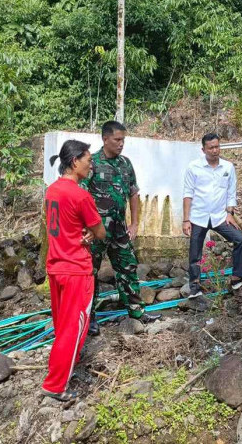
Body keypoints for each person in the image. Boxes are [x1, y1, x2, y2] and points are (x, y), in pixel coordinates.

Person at [82, 121, 160, 335]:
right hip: (96, 231)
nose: (121, 144)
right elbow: (81, 196)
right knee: (91, 273)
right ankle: (89, 319)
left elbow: (133, 193)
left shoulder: (125, 164)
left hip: (119, 229)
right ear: (105, 139)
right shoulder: (92, 164)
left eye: (123, 140)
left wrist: (134, 223)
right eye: (117, 140)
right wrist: (86, 226)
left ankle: (136, 312)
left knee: (128, 268)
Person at [42, 140, 106, 401]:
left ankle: (64, 370)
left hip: (56, 266)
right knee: (74, 328)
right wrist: (91, 233)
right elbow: (100, 232)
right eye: (88, 160)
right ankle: (55, 385)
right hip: (76, 269)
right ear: (74, 161)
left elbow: (62, 226)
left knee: (62, 326)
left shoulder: (51, 191)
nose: (91, 165)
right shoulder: (80, 195)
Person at [183, 133, 242, 297]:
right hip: (198, 216)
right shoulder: (194, 167)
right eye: (211, 148)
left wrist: (230, 213)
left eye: (217, 146)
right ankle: (194, 286)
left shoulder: (228, 167)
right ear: (203, 149)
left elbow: (231, 193)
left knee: (241, 239)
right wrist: (186, 220)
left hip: (220, 216)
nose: (215, 150)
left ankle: (237, 277)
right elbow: (188, 194)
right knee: (195, 252)